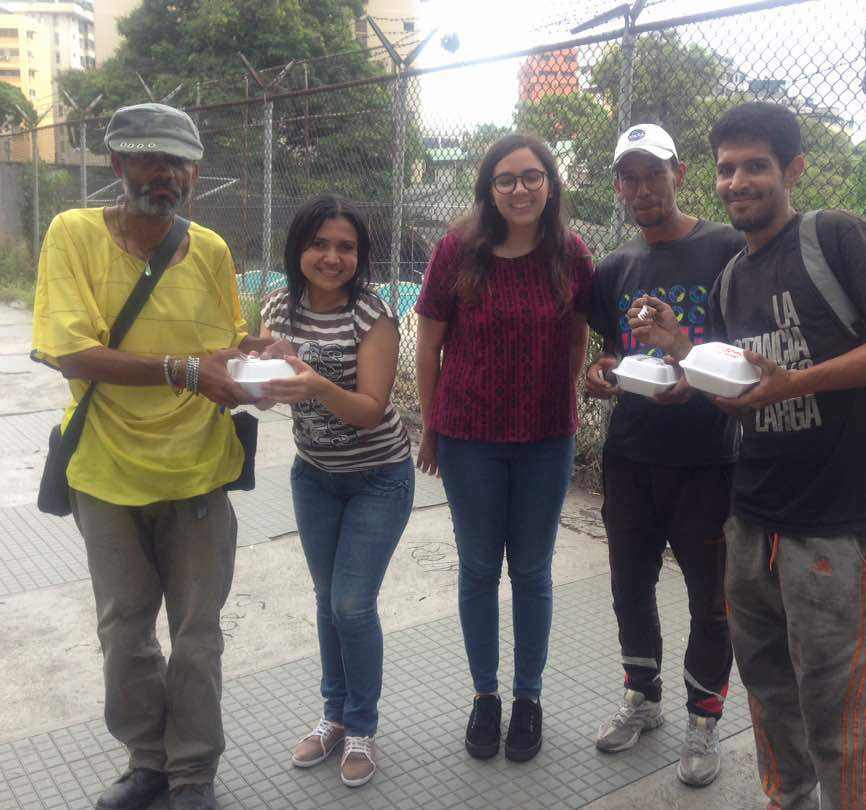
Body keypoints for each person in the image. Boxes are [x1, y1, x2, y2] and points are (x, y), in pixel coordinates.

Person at [631, 102, 866, 809]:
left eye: (756, 166)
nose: (739, 181)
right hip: (753, 517)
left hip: (838, 522)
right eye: (728, 169)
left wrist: (803, 381)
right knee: (769, 697)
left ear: (792, 170)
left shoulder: (834, 236)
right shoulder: (734, 276)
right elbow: (747, 382)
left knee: (844, 718)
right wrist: (684, 363)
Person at [30, 103, 292, 810]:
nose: (166, 174)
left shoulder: (207, 248)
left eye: (178, 162)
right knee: (124, 632)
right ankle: (147, 762)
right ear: (116, 164)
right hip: (108, 473)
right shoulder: (74, 234)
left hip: (198, 470)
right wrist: (183, 371)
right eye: (149, 158)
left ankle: (192, 773)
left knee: (198, 636)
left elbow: (224, 350)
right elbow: (69, 350)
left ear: (195, 171)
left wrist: (258, 362)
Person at [414, 133, 593, 762]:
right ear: (489, 188)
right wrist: (432, 426)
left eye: (532, 176)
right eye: (506, 179)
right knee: (479, 568)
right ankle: (485, 696)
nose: (520, 189)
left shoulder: (569, 254)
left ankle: (529, 698)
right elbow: (428, 347)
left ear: (551, 184)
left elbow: (577, 341)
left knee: (533, 571)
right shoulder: (456, 251)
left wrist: (556, 399)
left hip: (546, 437)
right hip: (469, 439)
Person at [583, 123, 742, 787]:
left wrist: (691, 376)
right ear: (618, 186)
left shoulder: (727, 249)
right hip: (631, 454)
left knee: (710, 597)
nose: (643, 188)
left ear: (680, 173)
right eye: (630, 177)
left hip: (709, 456)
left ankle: (703, 722)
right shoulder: (617, 267)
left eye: (655, 173)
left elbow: (746, 353)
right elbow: (608, 352)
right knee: (629, 587)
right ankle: (641, 700)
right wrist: (600, 372)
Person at [257, 194, 415, 788]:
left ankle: (362, 727)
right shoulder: (278, 302)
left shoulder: (372, 315)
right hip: (314, 476)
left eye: (345, 246)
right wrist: (259, 378)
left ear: (360, 255)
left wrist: (316, 384)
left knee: (351, 603)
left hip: (379, 476)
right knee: (327, 601)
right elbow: (270, 386)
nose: (331, 257)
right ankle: (331, 717)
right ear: (299, 248)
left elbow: (373, 410)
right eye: (319, 243)